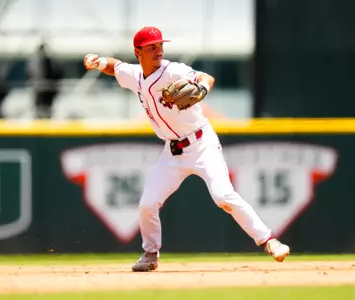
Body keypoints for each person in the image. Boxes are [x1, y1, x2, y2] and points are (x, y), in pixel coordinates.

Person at [83, 26, 290, 272]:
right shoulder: (135, 75)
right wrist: (98, 62)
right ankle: (150, 254)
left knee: (223, 196)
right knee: (147, 204)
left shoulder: (173, 71)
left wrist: (201, 88)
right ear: (138, 51)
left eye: (160, 45)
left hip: (202, 144)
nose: (158, 51)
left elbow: (206, 78)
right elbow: (115, 67)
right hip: (172, 152)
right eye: (151, 47)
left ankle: (269, 241)